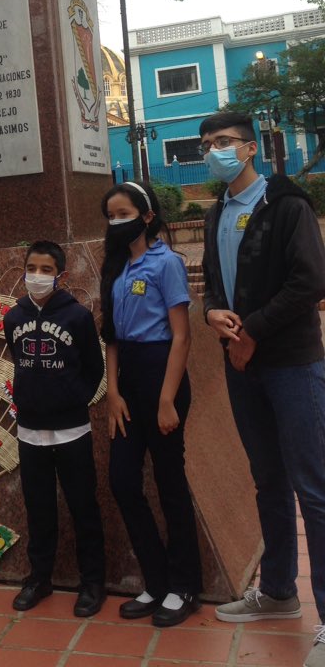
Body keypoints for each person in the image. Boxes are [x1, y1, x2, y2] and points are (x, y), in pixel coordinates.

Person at [200, 112, 325, 667]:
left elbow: (310, 282)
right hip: (241, 366)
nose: (214, 152)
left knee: (314, 490)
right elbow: (211, 282)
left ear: (250, 148)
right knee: (267, 482)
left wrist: (252, 331)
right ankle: (277, 592)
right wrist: (213, 316)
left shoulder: (287, 204)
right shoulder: (215, 214)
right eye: (207, 145)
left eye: (224, 142)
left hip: (292, 364)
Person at [100, 181, 202, 627]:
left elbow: (182, 334)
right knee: (122, 480)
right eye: (109, 215)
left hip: (164, 376)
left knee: (169, 481)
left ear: (145, 216)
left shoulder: (167, 264)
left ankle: (184, 585)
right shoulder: (117, 268)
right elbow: (113, 339)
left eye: (123, 213)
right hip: (128, 382)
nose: (115, 222)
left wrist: (166, 400)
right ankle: (156, 579)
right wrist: (113, 393)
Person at [3, 240, 107, 617]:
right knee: (38, 507)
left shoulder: (77, 317)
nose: (38, 276)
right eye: (32, 267)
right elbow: (18, 360)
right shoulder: (13, 318)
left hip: (71, 431)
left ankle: (93, 581)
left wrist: (70, 398)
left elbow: (94, 369)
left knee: (83, 505)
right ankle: (39, 577)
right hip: (30, 431)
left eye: (46, 270)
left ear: (61, 276)